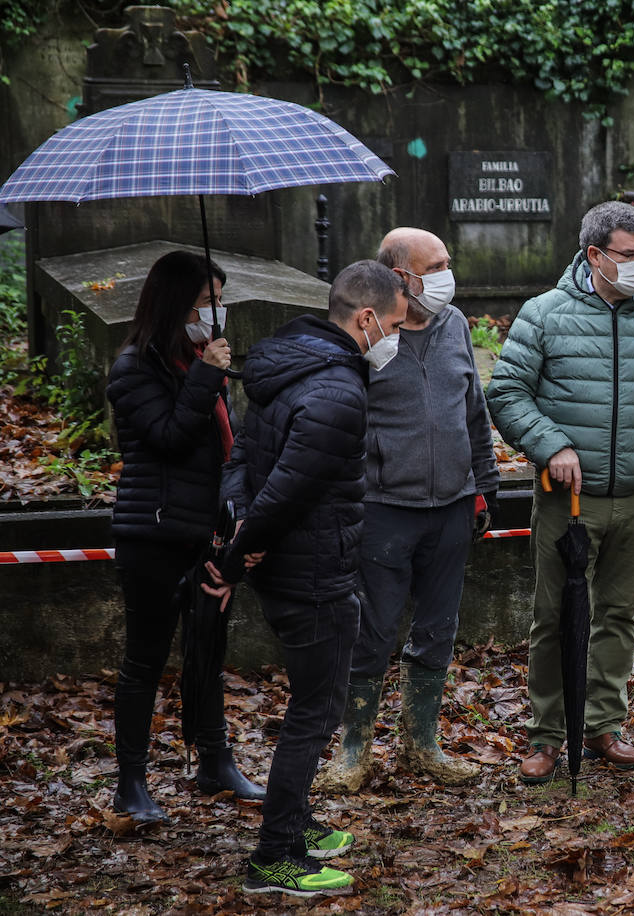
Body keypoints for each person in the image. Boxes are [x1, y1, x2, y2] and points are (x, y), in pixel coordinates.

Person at [486, 201, 634, 785]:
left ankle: (604, 724)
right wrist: (552, 446)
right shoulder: (544, 315)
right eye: (630, 256)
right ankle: (546, 735)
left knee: (617, 613)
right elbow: (508, 391)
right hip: (569, 498)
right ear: (594, 255)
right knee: (555, 615)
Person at [207, 260, 407, 896]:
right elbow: (290, 490)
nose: (399, 339)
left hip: (290, 560)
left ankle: (296, 822)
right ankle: (276, 856)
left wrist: (242, 524)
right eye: (398, 325)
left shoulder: (285, 362)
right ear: (366, 318)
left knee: (311, 702)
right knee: (315, 711)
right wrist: (239, 554)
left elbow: (243, 456)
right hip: (315, 570)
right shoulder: (338, 394)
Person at [317, 228, 499, 794]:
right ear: (400, 276)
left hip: (451, 506)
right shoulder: (368, 336)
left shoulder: (454, 326)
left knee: (438, 629)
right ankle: (354, 751)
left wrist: (485, 485)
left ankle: (422, 743)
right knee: (372, 632)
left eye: (448, 262)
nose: (449, 273)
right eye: (436, 264)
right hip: (384, 509)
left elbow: (474, 410)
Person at [105, 250, 265, 824]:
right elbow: (169, 437)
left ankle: (214, 760)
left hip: (205, 533)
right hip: (153, 533)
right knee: (145, 660)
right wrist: (206, 377)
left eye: (220, 301)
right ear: (176, 304)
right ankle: (131, 782)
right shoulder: (135, 368)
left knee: (206, 651)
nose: (216, 314)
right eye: (206, 303)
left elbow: (223, 446)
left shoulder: (195, 361)